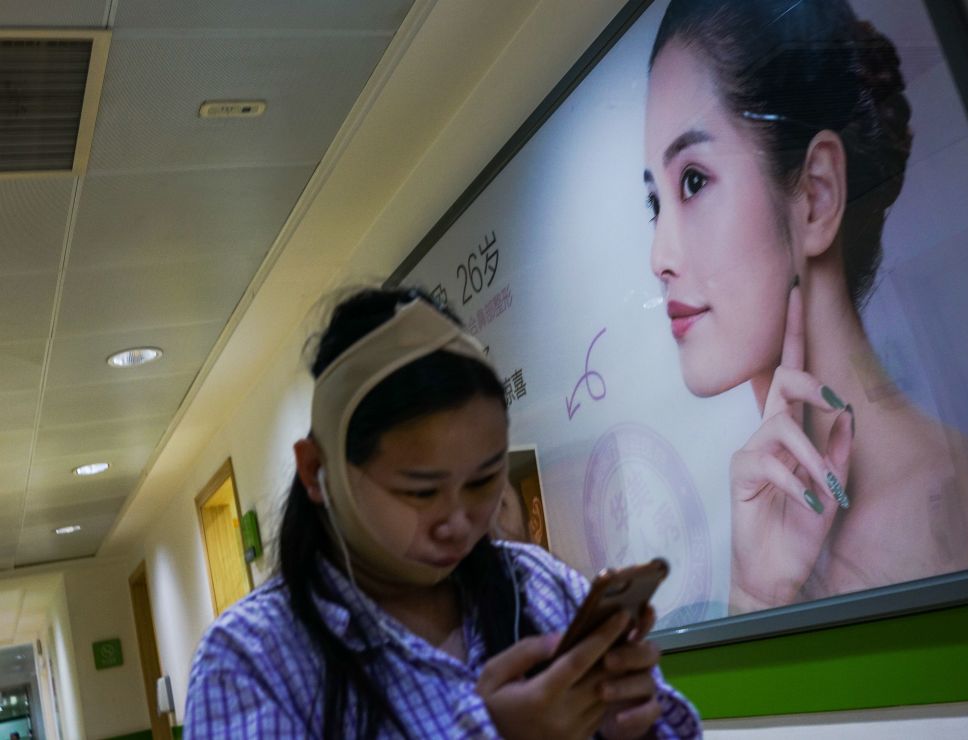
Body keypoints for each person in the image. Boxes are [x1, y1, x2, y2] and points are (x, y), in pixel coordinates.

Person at [642, 0, 968, 613]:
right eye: (655, 202)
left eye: (694, 181)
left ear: (816, 194)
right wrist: (754, 594)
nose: (659, 255)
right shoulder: (760, 552)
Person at [185, 287, 700, 738]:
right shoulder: (250, 657)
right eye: (420, 492)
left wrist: (627, 726)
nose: (459, 522)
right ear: (316, 470)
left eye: (483, 481)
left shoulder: (537, 584)